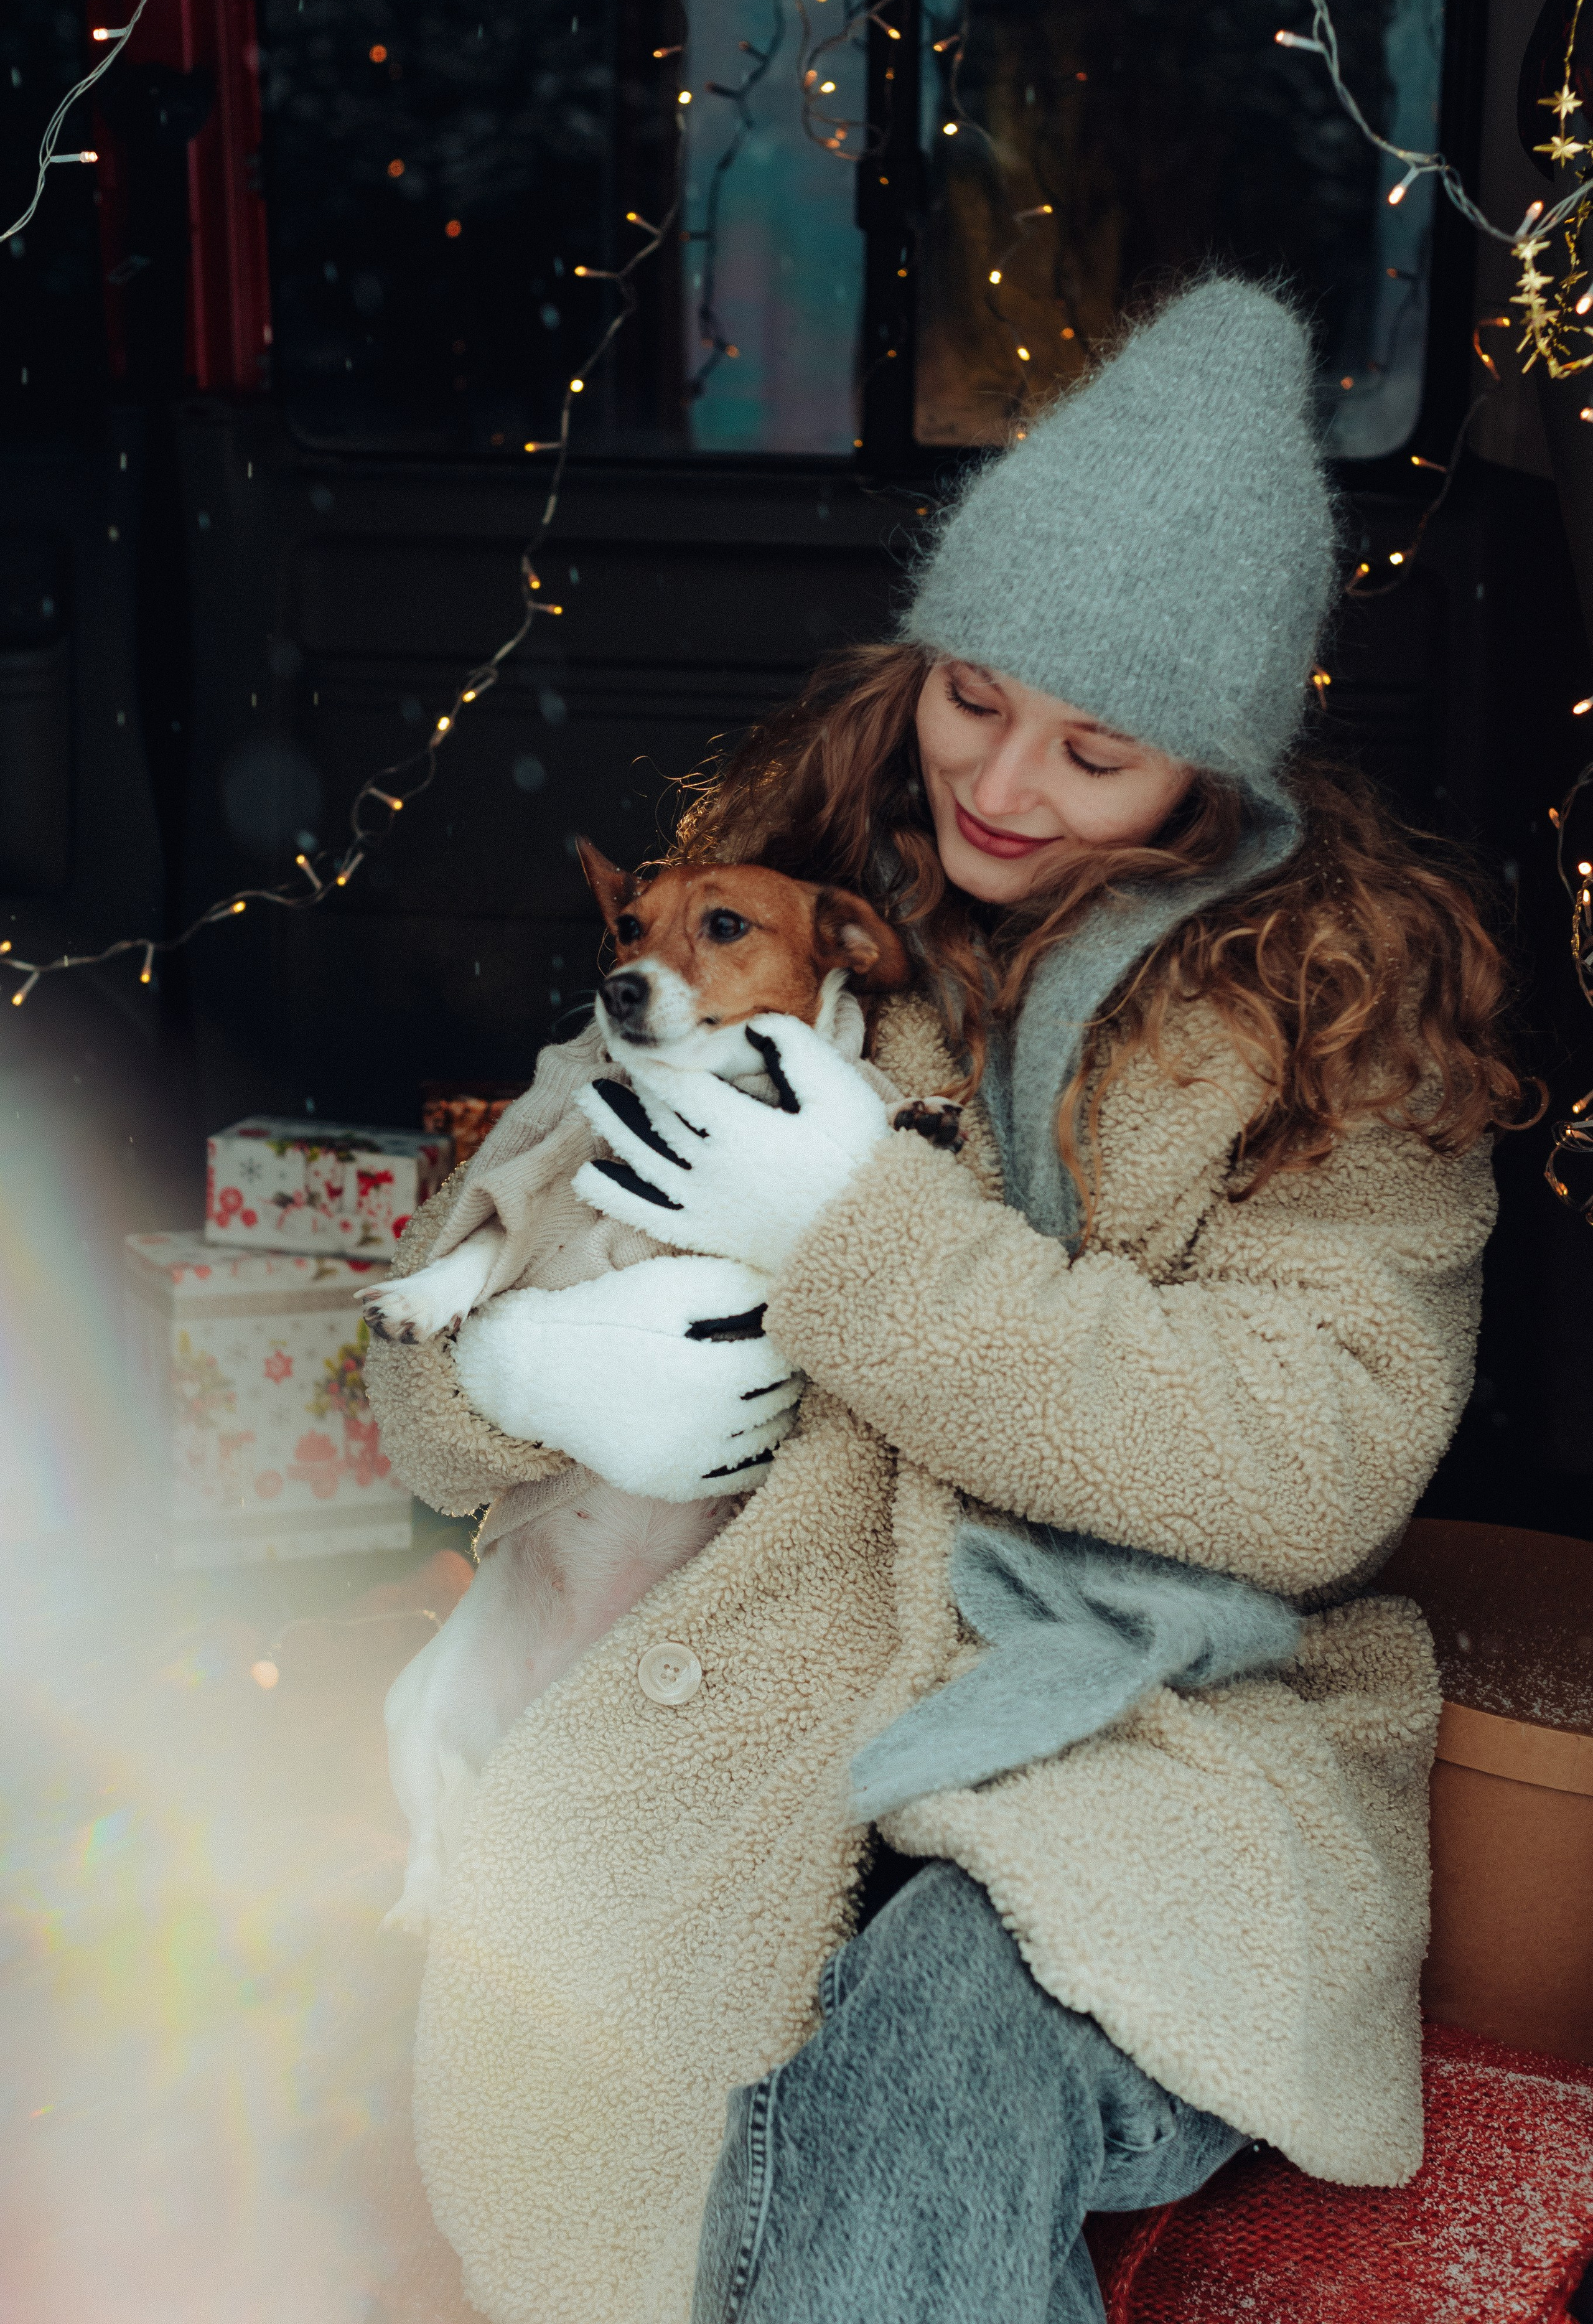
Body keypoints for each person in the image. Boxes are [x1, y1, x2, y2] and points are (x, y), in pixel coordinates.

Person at [363, 278, 1527, 2324]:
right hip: (754, 1704)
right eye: (973, 694)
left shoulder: (1339, 1040)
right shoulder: (753, 907)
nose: (1004, 781)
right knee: (570, 2097)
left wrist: (857, 1244)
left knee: (927, 2077)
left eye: (1099, 749)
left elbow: (1309, 1461)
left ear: (1219, 772)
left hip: (1132, 1731)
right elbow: (425, 1380)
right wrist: (538, 1374)